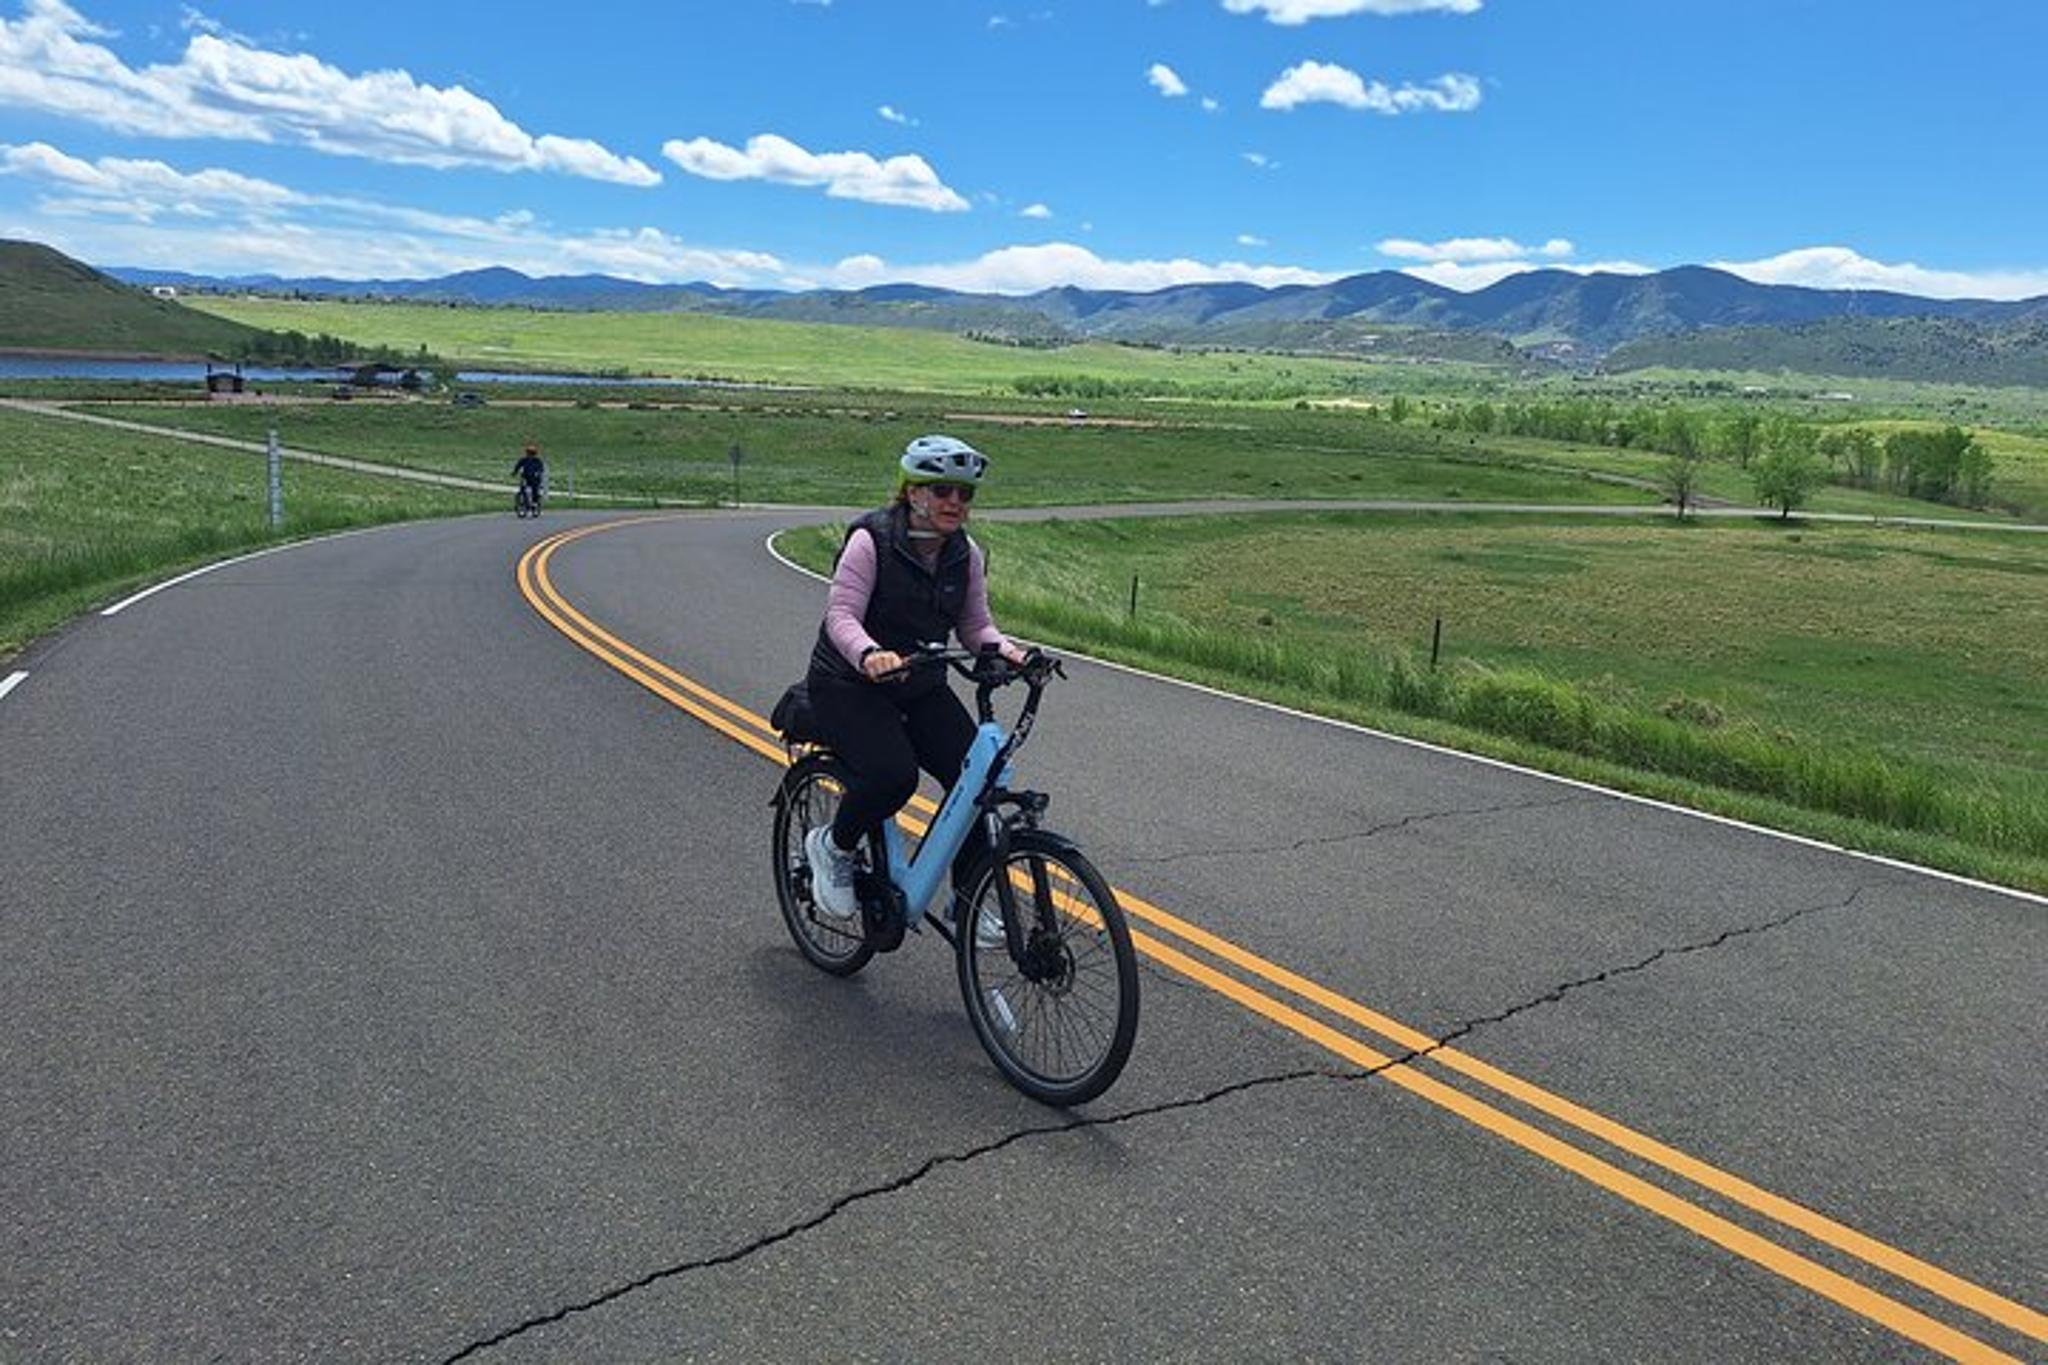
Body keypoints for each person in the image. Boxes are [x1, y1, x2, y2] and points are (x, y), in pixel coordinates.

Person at [803, 434, 1032, 921]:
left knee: (978, 779)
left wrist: (1012, 653)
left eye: (964, 494)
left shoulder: (965, 554)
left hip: (919, 682)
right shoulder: (872, 541)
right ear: (913, 492)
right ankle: (834, 847)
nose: (954, 502)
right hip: (849, 683)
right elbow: (841, 615)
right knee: (892, 774)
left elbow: (974, 626)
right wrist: (870, 654)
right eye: (941, 490)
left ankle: (966, 902)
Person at [512, 443, 546, 509]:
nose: (529, 454)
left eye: (531, 453)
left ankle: (534, 502)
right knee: (522, 488)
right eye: (528, 453)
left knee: (535, 488)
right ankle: (521, 501)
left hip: (535, 478)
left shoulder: (537, 461)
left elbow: (541, 469)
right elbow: (518, 466)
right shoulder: (524, 460)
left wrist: (538, 473)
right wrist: (514, 472)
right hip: (525, 477)